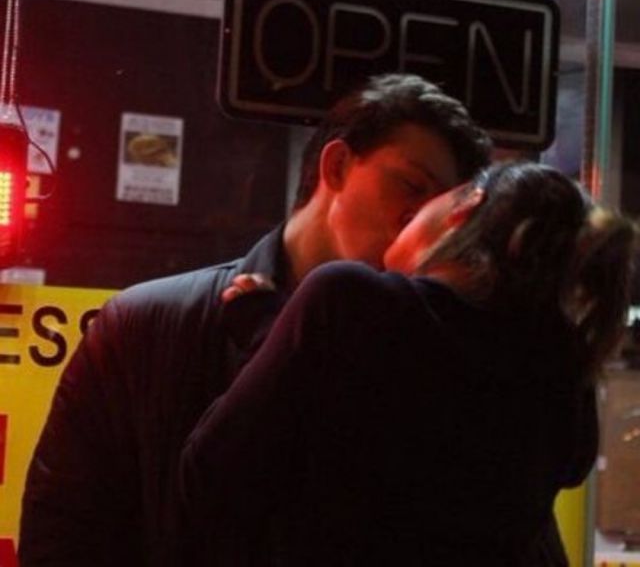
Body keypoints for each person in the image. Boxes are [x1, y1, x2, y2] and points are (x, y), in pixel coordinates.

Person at [18, 74, 492, 566]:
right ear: (336, 166)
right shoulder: (147, 328)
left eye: (441, 213)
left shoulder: (437, 365)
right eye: (411, 187)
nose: (419, 223)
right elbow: (63, 539)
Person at [179, 162, 638, 567]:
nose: (408, 212)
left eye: (426, 196)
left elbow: (210, 470)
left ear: (465, 208)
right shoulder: (559, 366)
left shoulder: (348, 301)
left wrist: (270, 333)